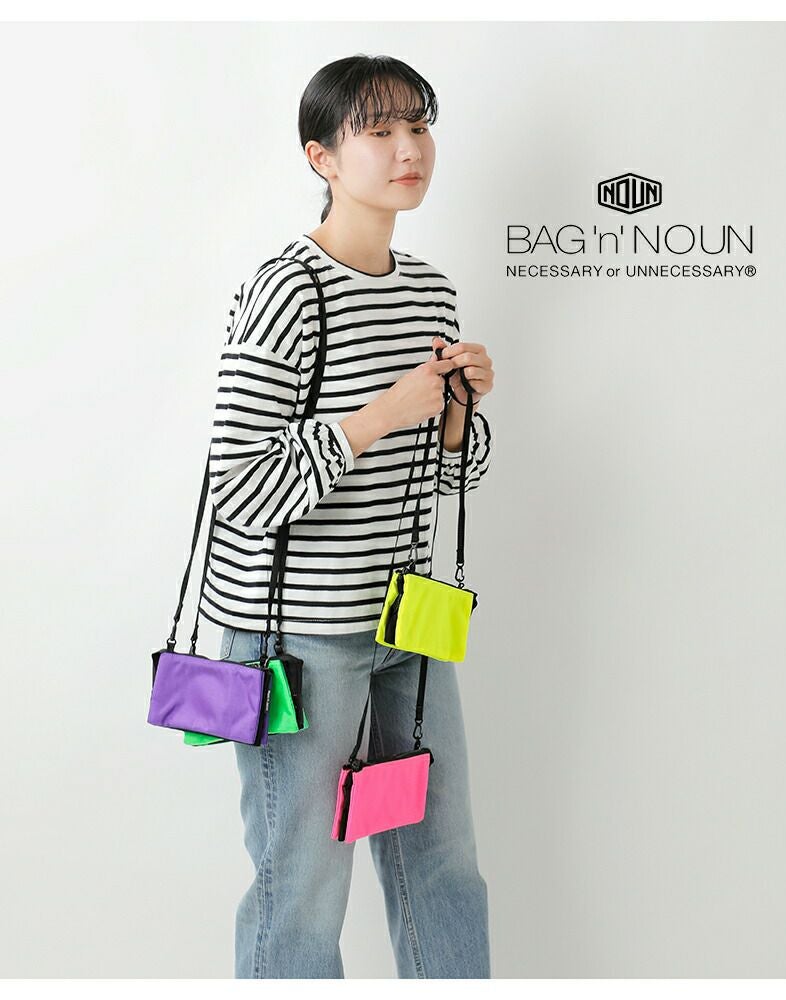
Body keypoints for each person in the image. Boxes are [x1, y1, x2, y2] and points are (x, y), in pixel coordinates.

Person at [197, 54, 496, 979]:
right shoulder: (288, 289)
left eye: (419, 126)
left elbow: (443, 481)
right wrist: (380, 416)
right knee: (303, 887)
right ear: (322, 157)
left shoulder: (431, 291)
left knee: (443, 868)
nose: (409, 149)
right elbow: (239, 487)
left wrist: (454, 418)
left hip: (407, 622)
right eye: (380, 131)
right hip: (301, 640)